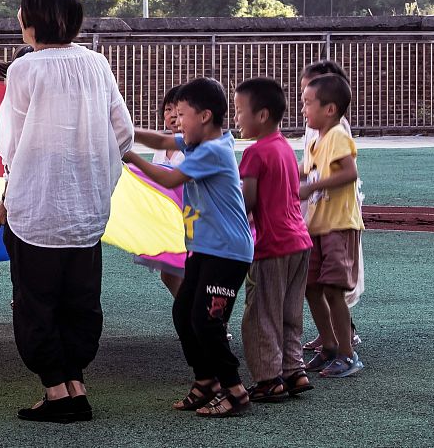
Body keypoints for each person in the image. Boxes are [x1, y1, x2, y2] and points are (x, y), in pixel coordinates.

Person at [0, 0, 134, 424]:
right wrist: (94, 181)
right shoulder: (97, 64)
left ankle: (58, 393)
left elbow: (12, 144)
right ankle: (75, 385)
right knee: (80, 302)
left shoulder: (25, 70)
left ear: (31, 19)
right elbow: (123, 134)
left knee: (36, 304)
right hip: (86, 213)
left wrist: (8, 194)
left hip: (36, 211)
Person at [125, 78, 254, 417]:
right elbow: (163, 139)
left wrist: (128, 155)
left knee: (207, 321)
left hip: (227, 253)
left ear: (206, 116)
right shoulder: (200, 142)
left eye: (182, 115)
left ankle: (234, 389)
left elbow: (169, 179)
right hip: (204, 249)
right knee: (184, 314)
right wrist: (125, 129)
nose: (177, 121)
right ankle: (206, 381)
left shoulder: (213, 151)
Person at [233, 78, 314, 400]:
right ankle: (294, 371)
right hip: (299, 242)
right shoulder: (283, 146)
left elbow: (248, 200)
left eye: (240, 111)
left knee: (260, 314)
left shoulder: (255, 153)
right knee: (289, 313)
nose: (236, 118)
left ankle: (269, 378)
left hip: (272, 245)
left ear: (262, 115)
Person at [300, 74, 366, 378]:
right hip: (318, 225)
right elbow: (304, 176)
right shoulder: (316, 141)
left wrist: (312, 188)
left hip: (338, 225)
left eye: (308, 103)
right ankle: (327, 345)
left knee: (333, 288)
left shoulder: (338, 134)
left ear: (329, 109)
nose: (303, 110)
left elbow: (349, 173)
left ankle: (347, 353)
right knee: (311, 286)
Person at [133, 84, 186, 297]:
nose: (173, 115)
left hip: (191, 221)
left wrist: (132, 158)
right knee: (169, 274)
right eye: (168, 109)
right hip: (169, 222)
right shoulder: (162, 149)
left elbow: (170, 179)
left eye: (179, 110)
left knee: (190, 273)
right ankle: (192, 316)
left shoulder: (198, 145)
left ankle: (206, 321)